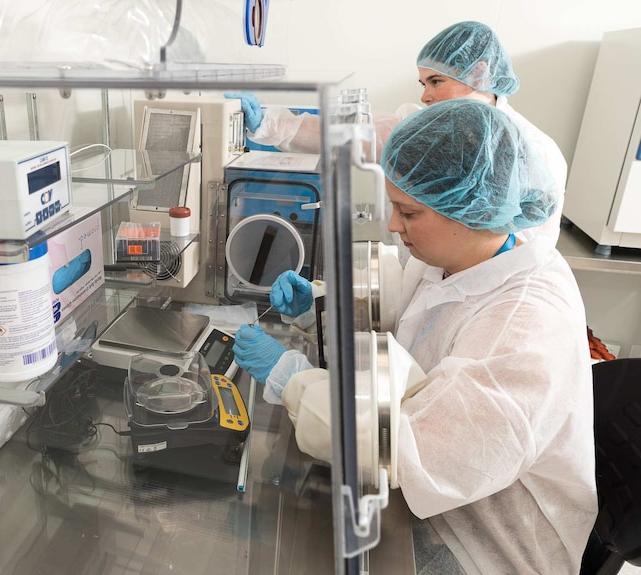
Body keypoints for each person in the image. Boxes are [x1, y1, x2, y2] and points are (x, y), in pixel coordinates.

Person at [233, 99, 597, 574]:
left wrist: (292, 378)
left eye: (408, 212)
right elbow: (405, 307)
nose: (391, 225)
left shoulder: (523, 333)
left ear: (469, 211)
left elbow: (396, 450)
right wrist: (321, 303)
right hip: (444, 498)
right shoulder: (471, 252)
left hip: (481, 545)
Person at [227, 20, 567, 247]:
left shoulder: (533, 151)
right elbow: (355, 135)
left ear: (479, 75)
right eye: (423, 84)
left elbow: (529, 252)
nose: (425, 95)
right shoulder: (429, 133)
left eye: (436, 82)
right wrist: (270, 123)